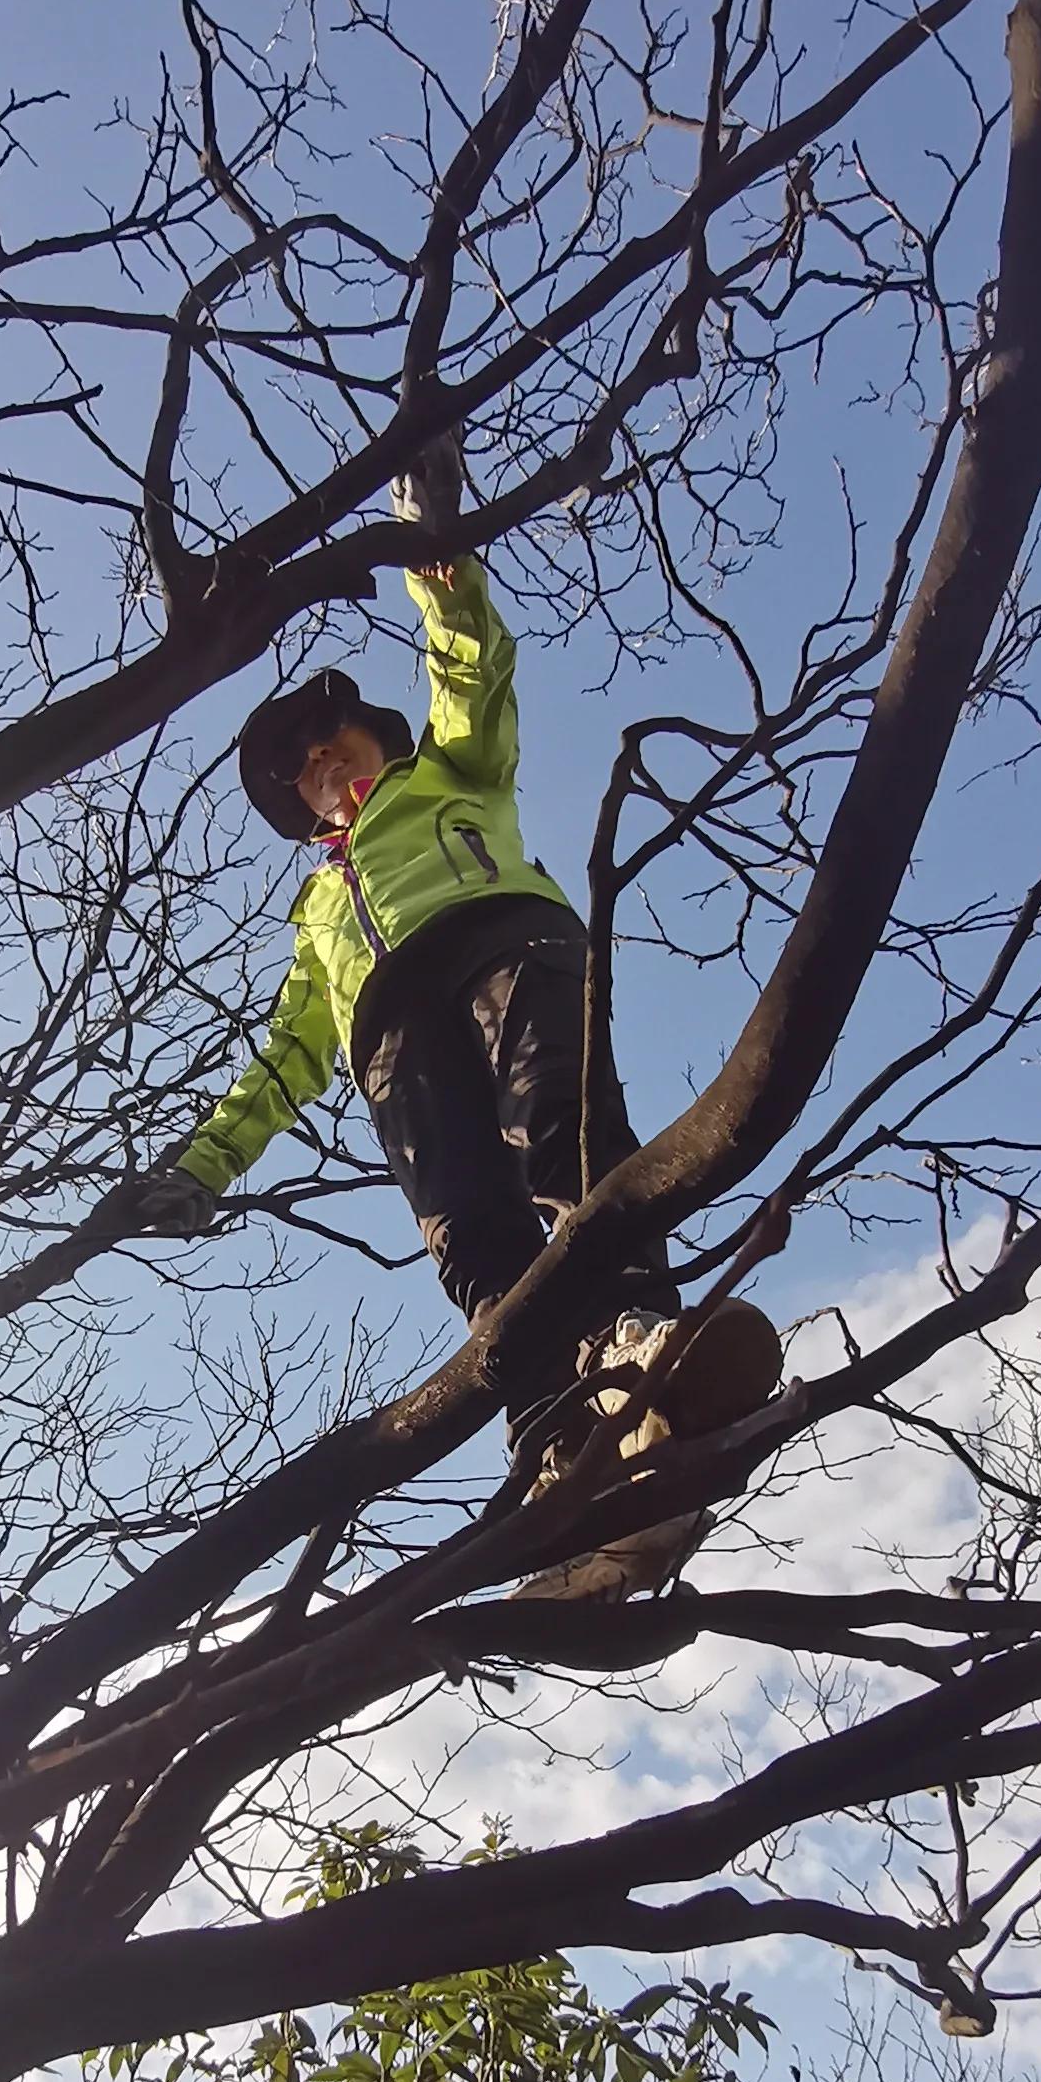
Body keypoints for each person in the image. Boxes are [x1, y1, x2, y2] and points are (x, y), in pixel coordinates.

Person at [110, 513, 778, 1591]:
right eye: (299, 769)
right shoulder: (317, 918)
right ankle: (565, 1455)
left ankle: (636, 1337)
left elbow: (474, 675)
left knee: (559, 1126)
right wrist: (196, 1170)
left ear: (378, 739)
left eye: (332, 740)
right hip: (389, 1036)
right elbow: (286, 1059)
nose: (320, 763)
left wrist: (441, 569)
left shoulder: (455, 776)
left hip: (499, 942)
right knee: (472, 1237)